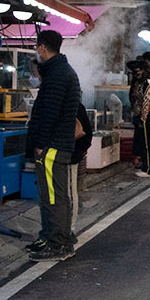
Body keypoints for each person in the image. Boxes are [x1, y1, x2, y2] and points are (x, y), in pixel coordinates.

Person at [25, 30, 82, 261]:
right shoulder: (61, 71)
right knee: (57, 195)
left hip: (52, 146)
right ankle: (56, 238)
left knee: (53, 197)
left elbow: (50, 113)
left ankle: (57, 243)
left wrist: (40, 143)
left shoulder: (58, 74)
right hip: (58, 144)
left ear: (42, 48)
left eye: (37, 47)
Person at [70, 102, 93, 237]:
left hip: (69, 156)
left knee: (69, 193)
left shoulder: (75, 106)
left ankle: (68, 230)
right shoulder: (77, 105)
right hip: (67, 155)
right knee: (69, 192)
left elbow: (86, 134)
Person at [128, 58, 150, 177]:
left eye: (138, 72)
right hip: (139, 115)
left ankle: (148, 169)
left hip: (146, 116)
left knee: (147, 143)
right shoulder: (137, 83)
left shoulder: (147, 83)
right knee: (142, 143)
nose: (136, 75)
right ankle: (145, 167)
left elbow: (146, 101)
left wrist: (143, 118)